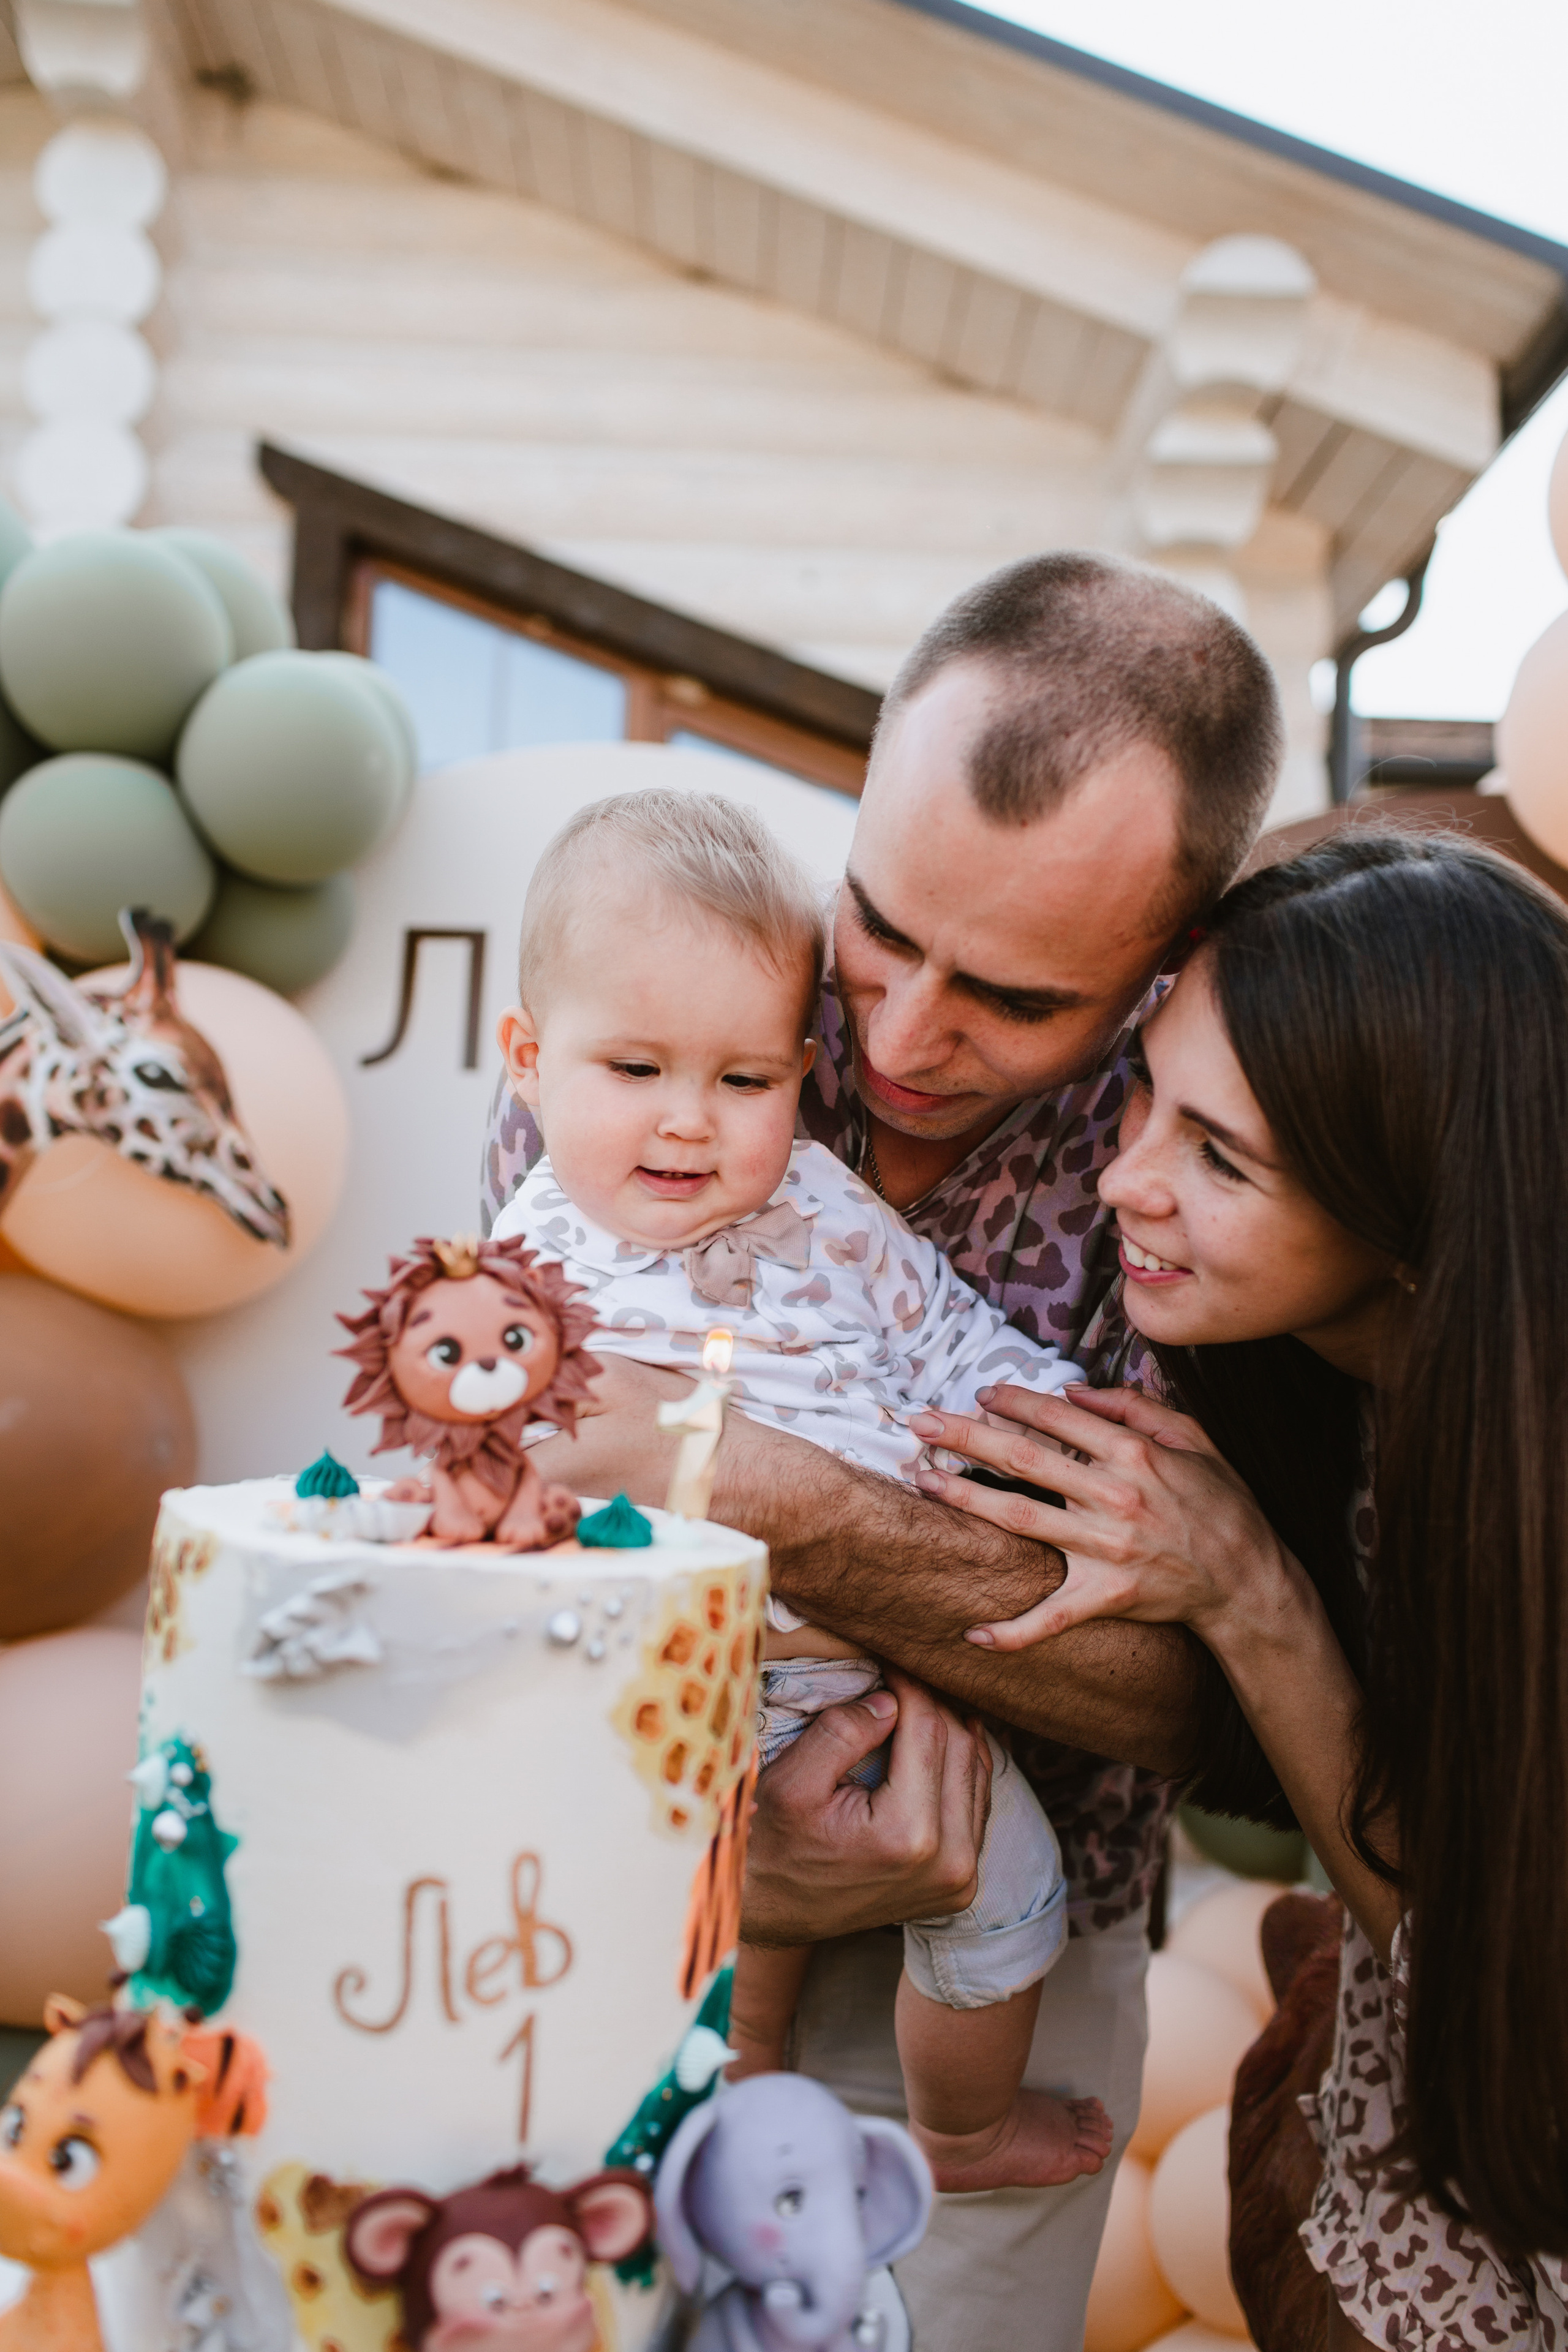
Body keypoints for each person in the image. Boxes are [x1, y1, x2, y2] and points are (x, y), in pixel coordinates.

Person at [482, 552, 1287, 2346]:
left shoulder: (1210, 1178)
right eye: (884, 928)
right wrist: (712, 1860)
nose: (905, 1036)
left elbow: (1195, 1695)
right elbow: (516, 1506)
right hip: (635, 1881)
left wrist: (770, 1491)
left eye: (1014, 998)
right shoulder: (656, 1007)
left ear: (1164, 969)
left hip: (1007, 1945)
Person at [913, 829, 1568, 2348]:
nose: (1123, 1176)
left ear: (1409, 1214)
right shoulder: (1316, 1377)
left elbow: (1494, 1953)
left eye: (1220, 1156)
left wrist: (1250, 1597)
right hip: (1407, 2135)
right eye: (1143, 1085)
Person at [490, 788, 1112, 2192]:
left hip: (878, 1680)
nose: (688, 1126)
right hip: (660, 1708)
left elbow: (951, 1338)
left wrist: (1069, 1422)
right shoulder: (517, 1276)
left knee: (1011, 1902)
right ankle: (735, 2128)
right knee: (730, 1961)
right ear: (529, 1063)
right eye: (635, 1070)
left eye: (743, 1080)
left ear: (797, 1071)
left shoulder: (828, 1213)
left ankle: (956, 2131)